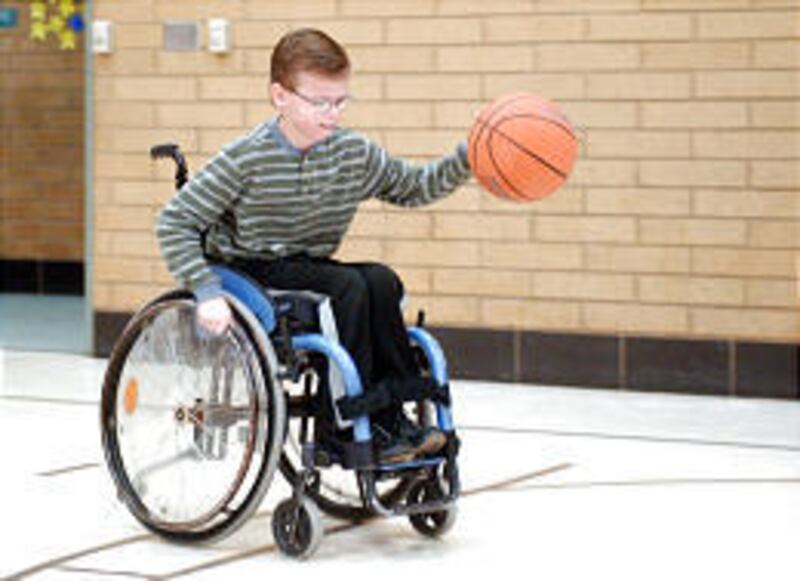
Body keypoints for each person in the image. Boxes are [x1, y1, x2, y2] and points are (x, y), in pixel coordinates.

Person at [156, 28, 472, 463]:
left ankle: (393, 420)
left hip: (306, 264)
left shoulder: (353, 153)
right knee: (345, 288)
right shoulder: (247, 158)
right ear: (280, 96)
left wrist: (469, 157)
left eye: (340, 101)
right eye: (319, 102)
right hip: (249, 267)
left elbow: (415, 187)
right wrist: (206, 292)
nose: (331, 113)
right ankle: (343, 428)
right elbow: (175, 221)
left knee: (380, 280)